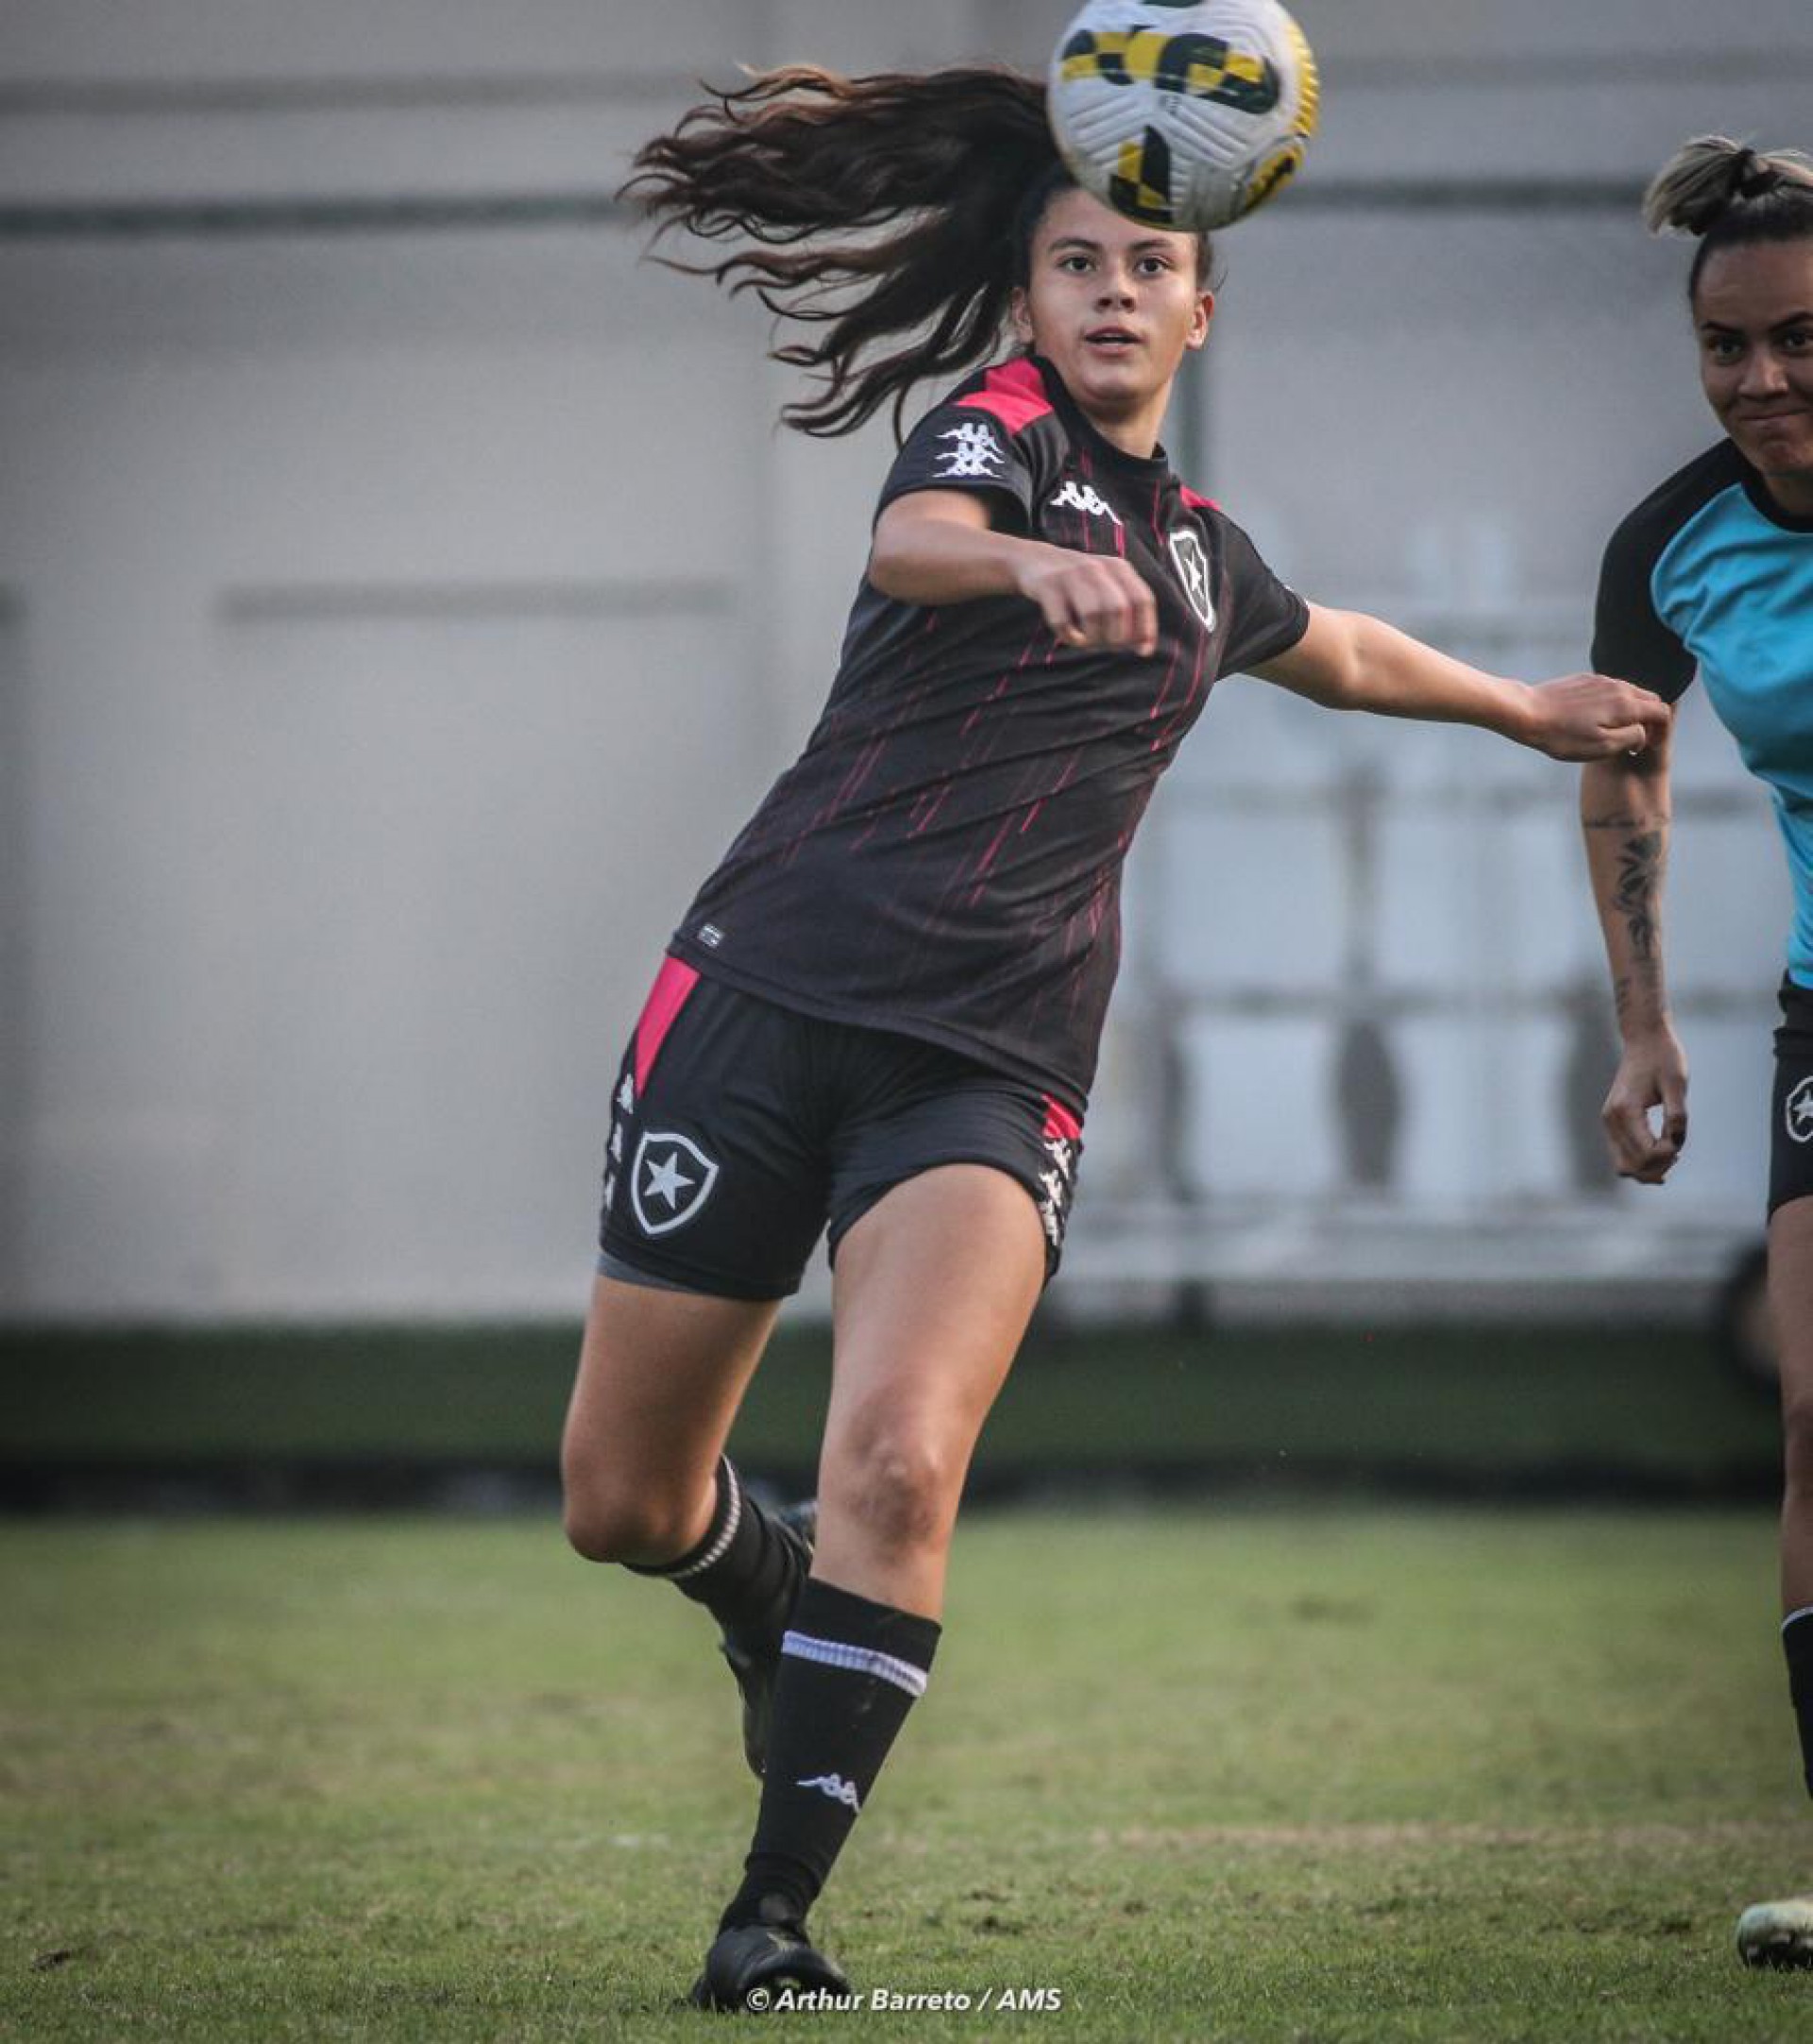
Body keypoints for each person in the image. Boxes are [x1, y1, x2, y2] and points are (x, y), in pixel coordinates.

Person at [559, 63, 1669, 2012]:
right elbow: (914, 538)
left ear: (1202, 305)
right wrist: (1018, 558)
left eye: (1148, 263)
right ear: (1029, 298)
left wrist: (1519, 705)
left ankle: (769, 1926)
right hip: (760, 996)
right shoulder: (988, 437)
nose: (1112, 293)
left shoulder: (1204, 554)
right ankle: (756, 1586)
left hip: (991, 1063)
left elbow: (1331, 647)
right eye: (1076, 262)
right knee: (623, 1504)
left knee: (904, 1466)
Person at [1581, 134, 1813, 1970]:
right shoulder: (1673, 544)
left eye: (1804, 339)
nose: (1765, 380)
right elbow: (1625, 759)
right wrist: (1643, 1020)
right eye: (1729, 348)